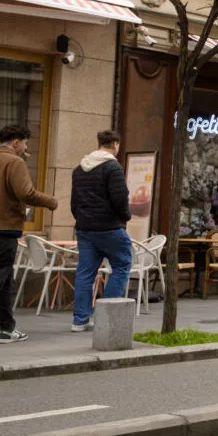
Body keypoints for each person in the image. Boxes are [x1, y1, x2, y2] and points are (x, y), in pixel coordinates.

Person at [0, 124, 57, 343]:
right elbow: (26, 192)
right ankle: (7, 329)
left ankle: (7, 329)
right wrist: (51, 201)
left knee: (4, 281)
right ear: (15, 142)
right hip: (3, 230)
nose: (25, 148)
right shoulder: (15, 162)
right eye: (24, 143)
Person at [70, 130, 133, 332]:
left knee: (85, 273)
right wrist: (125, 216)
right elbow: (120, 198)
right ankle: (104, 317)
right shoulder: (113, 167)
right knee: (122, 265)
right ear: (115, 145)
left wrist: (82, 219)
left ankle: (80, 320)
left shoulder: (79, 169)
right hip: (109, 227)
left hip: (85, 228)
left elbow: (74, 203)